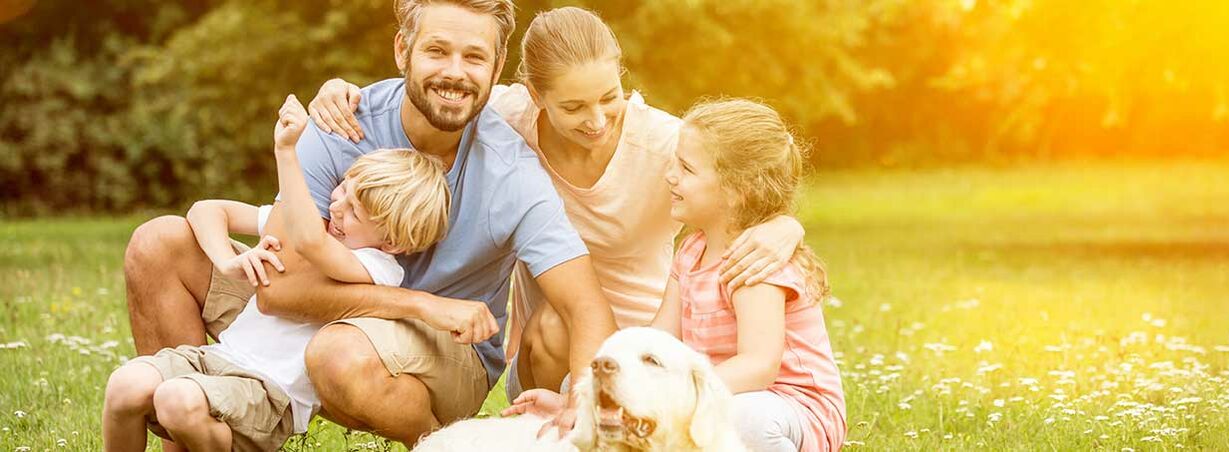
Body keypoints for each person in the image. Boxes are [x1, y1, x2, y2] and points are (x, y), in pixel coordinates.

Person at [122, 0, 617, 445]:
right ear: (402, 49)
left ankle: (438, 447)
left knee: (337, 352)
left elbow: (585, 306)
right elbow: (277, 292)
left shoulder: (510, 171)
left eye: (474, 57)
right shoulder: (342, 124)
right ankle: (192, 429)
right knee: (158, 244)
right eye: (437, 51)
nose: (455, 72)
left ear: (497, 66)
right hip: (322, 314)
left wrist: (582, 404)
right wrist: (422, 304)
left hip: (441, 353)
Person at [308, 6, 808, 408]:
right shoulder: (506, 120)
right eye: (572, 107)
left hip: (657, 339)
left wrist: (786, 224)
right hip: (553, 350)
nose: (597, 121)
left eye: (609, 97)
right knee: (554, 322)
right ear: (535, 95)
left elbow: (748, 177)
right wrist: (338, 89)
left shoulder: (667, 146)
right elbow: (440, 81)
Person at [103, 96, 450, 451]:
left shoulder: (377, 268)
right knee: (124, 387)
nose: (335, 207)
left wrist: (287, 152)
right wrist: (227, 260)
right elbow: (206, 210)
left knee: (178, 402)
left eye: (354, 213)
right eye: (342, 189)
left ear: (391, 243)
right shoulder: (318, 224)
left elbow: (313, 244)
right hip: (218, 359)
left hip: (268, 392)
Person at [649, 99, 845, 452]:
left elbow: (758, 366)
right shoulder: (690, 252)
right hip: (720, 393)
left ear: (739, 191)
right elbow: (659, 340)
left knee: (742, 420)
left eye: (687, 169)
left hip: (791, 406)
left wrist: (675, 395)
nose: (671, 175)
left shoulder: (756, 263)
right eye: (675, 162)